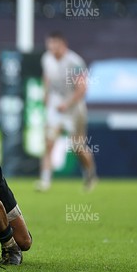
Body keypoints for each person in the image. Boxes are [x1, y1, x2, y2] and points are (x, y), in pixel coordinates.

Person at [37, 32, 98, 192]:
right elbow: (47, 78)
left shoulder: (74, 61)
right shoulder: (46, 59)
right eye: (50, 44)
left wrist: (67, 103)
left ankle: (90, 174)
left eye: (55, 44)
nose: (52, 47)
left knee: (78, 146)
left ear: (63, 44)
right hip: (56, 105)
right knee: (49, 141)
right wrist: (45, 95)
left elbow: (82, 88)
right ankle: (45, 180)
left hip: (74, 107)